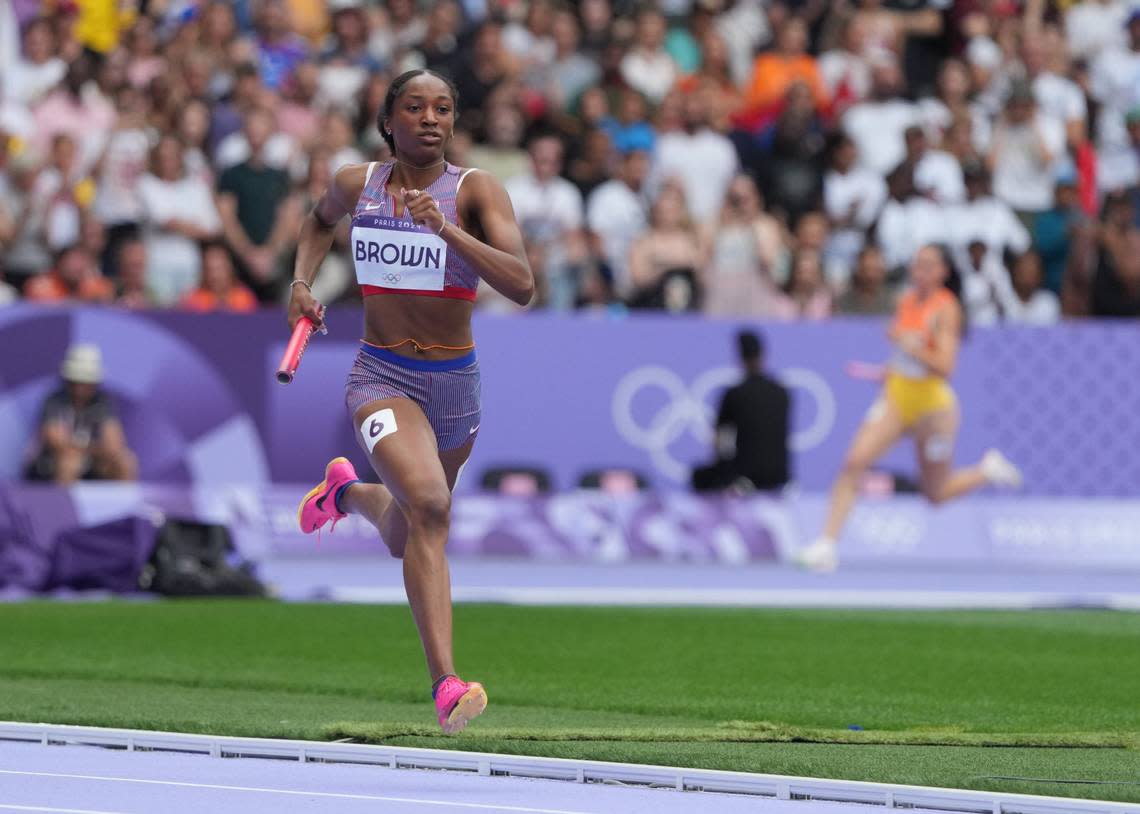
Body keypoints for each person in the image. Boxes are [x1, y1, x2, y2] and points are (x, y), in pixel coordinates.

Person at [288, 70, 533, 733]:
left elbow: (522, 285)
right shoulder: (355, 184)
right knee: (429, 506)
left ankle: (344, 494)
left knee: (408, 532)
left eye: (444, 109)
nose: (431, 118)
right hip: (380, 375)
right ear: (388, 120)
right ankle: (446, 683)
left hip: (456, 385)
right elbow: (316, 224)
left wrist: (449, 231)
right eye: (415, 107)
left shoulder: (475, 190)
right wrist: (301, 282)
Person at [796, 245, 1023, 573]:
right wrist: (885, 370)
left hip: (933, 408)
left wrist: (907, 344)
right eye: (917, 264)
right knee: (854, 462)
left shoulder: (946, 308)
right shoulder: (905, 301)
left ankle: (986, 470)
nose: (920, 271)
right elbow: (903, 358)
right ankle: (826, 545)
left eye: (928, 265)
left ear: (944, 271)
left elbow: (945, 366)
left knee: (935, 493)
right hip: (898, 396)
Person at [692, 330, 790, 493]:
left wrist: (725, 469)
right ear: (762, 354)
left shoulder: (735, 394)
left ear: (740, 357)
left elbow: (719, 442)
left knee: (701, 477)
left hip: (745, 477)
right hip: (780, 475)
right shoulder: (782, 392)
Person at [25, 344, 137, 484]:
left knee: (126, 461)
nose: (80, 388)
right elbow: (57, 443)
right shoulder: (54, 401)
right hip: (51, 465)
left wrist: (89, 451)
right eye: (76, 381)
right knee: (69, 463)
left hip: (93, 462)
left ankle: (123, 506)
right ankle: (63, 505)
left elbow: (114, 444)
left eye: (86, 382)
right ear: (67, 379)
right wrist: (94, 449)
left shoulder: (102, 402)